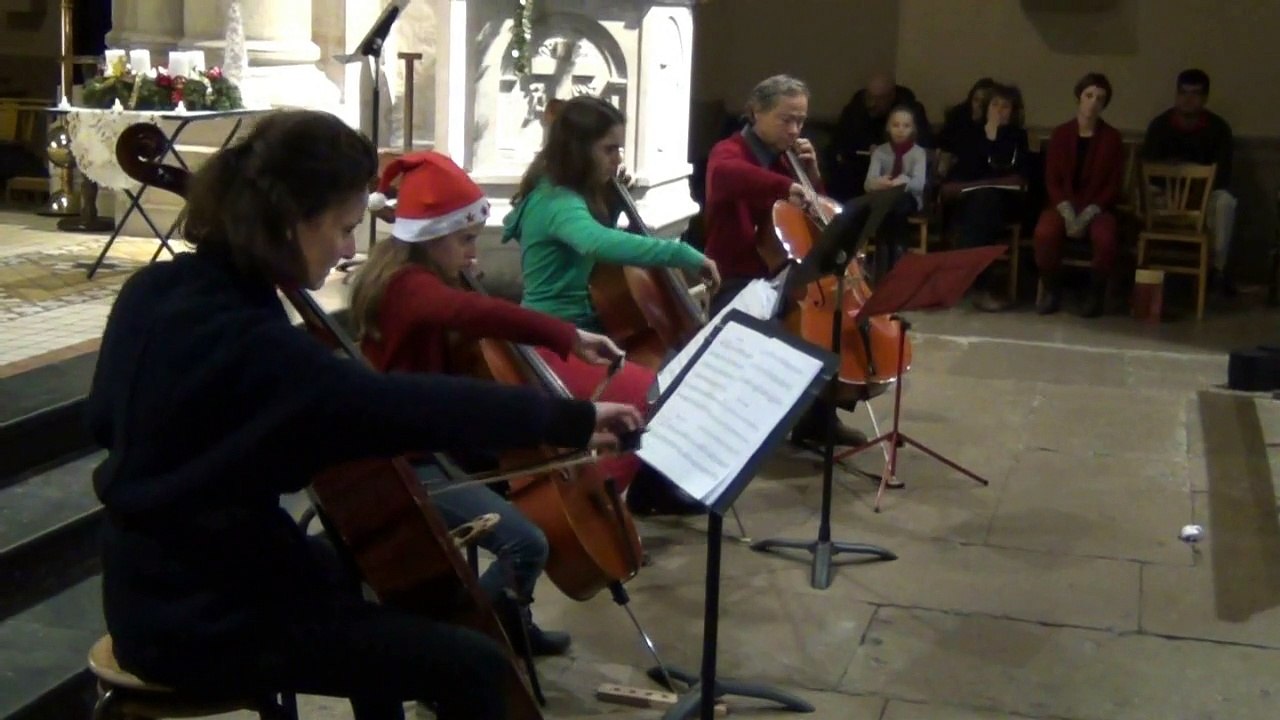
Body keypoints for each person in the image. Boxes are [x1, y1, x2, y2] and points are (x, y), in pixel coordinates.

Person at [88, 109, 642, 720]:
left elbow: (104, 423)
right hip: (201, 617)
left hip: (149, 575)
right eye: (345, 227)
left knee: (345, 575)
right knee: (474, 666)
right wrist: (568, 420)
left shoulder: (155, 291)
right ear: (293, 220)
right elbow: (400, 406)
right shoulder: (255, 341)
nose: (351, 249)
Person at [351, 150, 628, 657]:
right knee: (527, 541)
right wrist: (566, 336)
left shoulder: (423, 275)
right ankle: (465, 635)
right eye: (464, 241)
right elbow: (470, 312)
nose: (473, 255)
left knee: (511, 484)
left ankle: (510, 619)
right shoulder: (408, 287)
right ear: (429, 236)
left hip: (438, 439)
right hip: (405, 460)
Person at [502, 94, 720, 516]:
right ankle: (603, 501)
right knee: (648, 389)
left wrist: (617, 198)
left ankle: (647, 486)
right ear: (578, 149)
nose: (617, 158)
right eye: (609, 148)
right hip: (553, 339)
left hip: (578, 330)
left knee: (672, 368)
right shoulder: (558, 201)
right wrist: (684, 254)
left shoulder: (559, 189)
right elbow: (598, 242)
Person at [702, 74, 867, 448]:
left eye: (801, 121)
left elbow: (818, 217)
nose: (795, 130)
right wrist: (784, 186)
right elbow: (727, 177)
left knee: (832, 316)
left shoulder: (788, 160)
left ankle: (817, 419)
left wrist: (811, 177)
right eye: (786, 119)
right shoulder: (728, 151)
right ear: (755, 112)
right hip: (738, 276)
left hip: (785, 272)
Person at [1033, 72, 1123, 318]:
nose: (1093, 102)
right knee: (1045, 232)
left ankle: (1094, 294)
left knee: (1105, 238)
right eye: (1089, 95)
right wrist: (1065, 209)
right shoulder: (1061, 134)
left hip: (1097, 206)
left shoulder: (1112, 138)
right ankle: (1052, 290)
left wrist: (1090, 211)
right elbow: (1051, 179)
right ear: (1079, 98)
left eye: (1100, 98)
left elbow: (1113, 184)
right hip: (1063, 202)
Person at [1140, 68, 1237, 296]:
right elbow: (1146, 169)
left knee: (1225, 202)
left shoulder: (1218, 129)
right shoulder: (1160, 126)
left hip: (1203, 197)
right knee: (1146, 193)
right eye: (1183, 93)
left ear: (1204, 98)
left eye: (1194, 94)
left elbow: (1223, 174)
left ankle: (1217, 270)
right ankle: (1143, 274)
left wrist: (1194, 188)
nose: (1187, 99)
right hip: (1165, 196)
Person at [941, 83, 1031, 311]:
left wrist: (998, 138)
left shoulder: (1018, 137)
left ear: (1014, 111)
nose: (1000, 110)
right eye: (995, 104)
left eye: (1006, 106)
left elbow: (1014, 172)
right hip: (970, 200)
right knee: (979, 209)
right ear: (987, 107)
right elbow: (968, 169)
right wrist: (987, 138)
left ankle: (964, 279)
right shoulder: (971, 133)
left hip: (1003, 202)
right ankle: (979, 286)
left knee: (984, 205)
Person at [828, 71, 934, 201]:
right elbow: (838, 145)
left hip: (900, 178)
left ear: (891, 96)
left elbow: (923, 148)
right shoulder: (854, 110)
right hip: (859, 172)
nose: (871, 104)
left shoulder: (911, 112)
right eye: (869, 97)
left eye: (879, 99)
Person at [863, 105, 928, 279]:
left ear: (913, 129)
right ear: (888, 128)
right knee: (886, 207)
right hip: (884, 199)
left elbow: (919, 184)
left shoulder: (918, 153)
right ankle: (884, 265)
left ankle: (897, 261)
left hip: (908, 200)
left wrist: (903, 182)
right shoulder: (880, 152)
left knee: (897, 206)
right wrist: (881, 183)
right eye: (896, 125)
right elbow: (868, 183)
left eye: (906, 126)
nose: (900, 130)